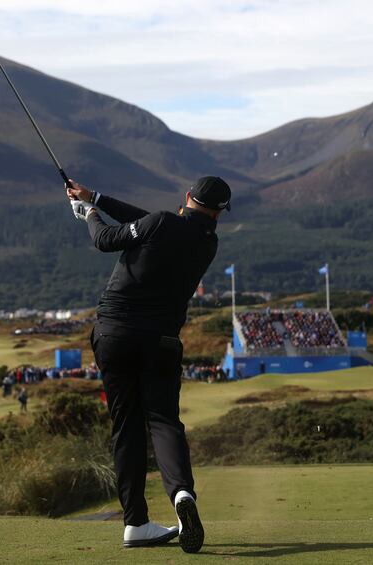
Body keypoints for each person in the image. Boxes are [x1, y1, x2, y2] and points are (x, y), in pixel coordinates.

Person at [67, 175, 230, 553]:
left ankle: (136, 523)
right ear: (219, 213)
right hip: (162, 341)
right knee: (163, 420)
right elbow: (153, 221)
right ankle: (182, 494)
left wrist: (89, 212)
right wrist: (96, 197)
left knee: (127, 427)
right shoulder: (207, 242)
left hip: (115, 334)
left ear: (187, 197)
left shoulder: (160, 223)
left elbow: (106, 239)